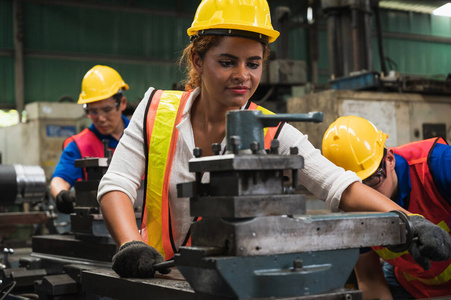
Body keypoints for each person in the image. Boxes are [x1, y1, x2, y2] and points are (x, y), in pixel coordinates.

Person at [97, 0, 451, 281]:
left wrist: (412, 219)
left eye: (253, 63)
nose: (242, 76)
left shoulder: (274, 129)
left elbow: (338, 185)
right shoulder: (155, 109)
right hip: (158, 280)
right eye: (227, 61)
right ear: (197, 59)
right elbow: (117, 184)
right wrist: (131, 245)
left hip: (236, 284)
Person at [322, 115, 451, 299]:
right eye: (351, 192)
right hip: (410, 287)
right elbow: (370, 278)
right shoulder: (349, 209)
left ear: (389, 159)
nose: (363, 199)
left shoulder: (439, 165)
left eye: (370, 181)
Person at [50, 65, 130, 214]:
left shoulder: (144, 137)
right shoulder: (78, 145)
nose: (100, 118)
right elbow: (59, 180)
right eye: (92, 112)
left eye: (107, 110)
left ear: (122, 103)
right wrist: (61, 195)